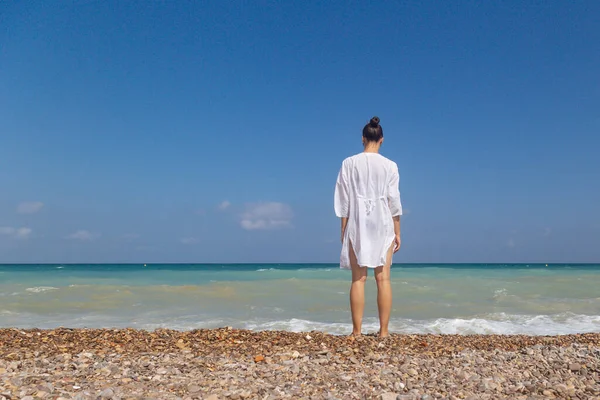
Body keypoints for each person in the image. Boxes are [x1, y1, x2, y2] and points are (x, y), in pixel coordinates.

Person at [334, 116, 402, 338]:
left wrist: (343, 229)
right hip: (383, 222)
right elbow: (394, 201)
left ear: (363, 139)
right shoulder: (390, 166)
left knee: (358, 279)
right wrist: (398, 231)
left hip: (358, 221)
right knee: (383, 279)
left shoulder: (349, 163)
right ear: (381, 140)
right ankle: (383, 332)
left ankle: (357, 331)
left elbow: (343, 201)